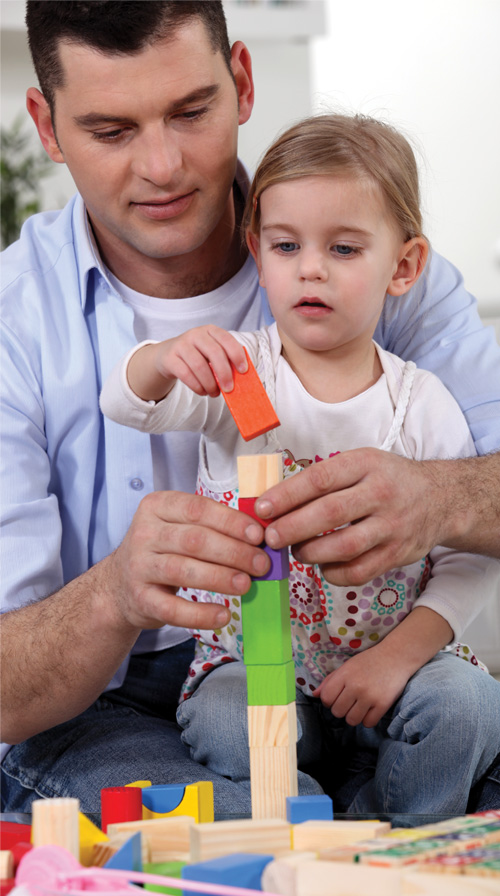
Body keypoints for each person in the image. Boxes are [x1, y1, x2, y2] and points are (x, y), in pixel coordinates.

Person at [1, 1, 499, 819]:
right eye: (111, 131)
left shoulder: (370, 254)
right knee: (248, 831)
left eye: (191, 111)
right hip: (118, 704)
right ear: (47, 128)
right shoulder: (16, 320)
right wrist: (116, 595)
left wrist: (443, 498)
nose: (162, 166)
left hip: (371, 667)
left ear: (241, 81)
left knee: (460, 751)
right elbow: (6, 696)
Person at [100, 113, 500, 823]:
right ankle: (312, 829)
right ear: (259, 251)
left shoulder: (422, 404)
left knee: (470, 706)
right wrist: (163, 360)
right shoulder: (241, 374)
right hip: (255, 668)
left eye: (344, 247)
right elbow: (130, 404)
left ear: (403, 266)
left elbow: (473, 558)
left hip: (391, 669)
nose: (310, 267)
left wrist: (398, 658)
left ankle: (405, 832)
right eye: (287, 245)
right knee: (227, 724)